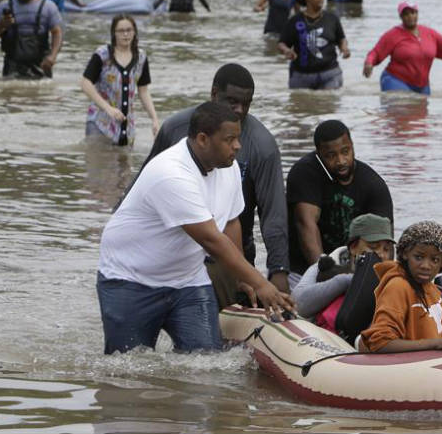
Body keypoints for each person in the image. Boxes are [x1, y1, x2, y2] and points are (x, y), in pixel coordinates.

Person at [96, 101, 294, 354]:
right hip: (131, 280)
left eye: (239, 138)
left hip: (188, 281)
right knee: (128, 371)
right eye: (230, 139)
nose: (238, 146)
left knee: (207, 363)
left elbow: (231, 221)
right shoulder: (171, 173)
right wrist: (261, 283)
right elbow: (211, 240)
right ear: (202, 139)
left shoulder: (229, 168)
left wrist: (240, 278)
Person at [120, 63, 292, 304]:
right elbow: (138, 189)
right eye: (232, 102)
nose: (240, 110)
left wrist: (278, 270)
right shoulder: (175, 130)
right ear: (213, 94)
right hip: (171, 256)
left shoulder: (262, 146)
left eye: (247, 103)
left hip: (231, 258)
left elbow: (273, 215)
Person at [286, 120, 393, 279]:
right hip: (302, 270)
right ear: (318, 153)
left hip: (354, 270)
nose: (341, 161)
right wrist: (323, 273)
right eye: (331, 155)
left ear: (352, 146)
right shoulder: (304, 174)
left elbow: (385, 243)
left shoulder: (373, 184)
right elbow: (306, 224)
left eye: (345, 151)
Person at [359, 221, 442, 353]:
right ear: (405, 254)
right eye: (418, 257)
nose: (426, 266)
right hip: (406, 367)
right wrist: (435, 343)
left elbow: (440, 335)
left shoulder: (432, 290)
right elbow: (380, 343)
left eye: (434, 260)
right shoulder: (397, 287)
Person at [363, 1, 442, 96]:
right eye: (406, 14)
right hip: (395, 81)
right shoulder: (393, 34)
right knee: (400, 116)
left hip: (422, 86)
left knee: (420, 121)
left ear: (417, 14)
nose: (410, 16)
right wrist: (369, 63)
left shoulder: (430, 34)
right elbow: (376, 52)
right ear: (401, 16)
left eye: (413, 12)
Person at [291, 213, 394, 320]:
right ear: (353, 247)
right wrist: (347, 281)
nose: (382, 254)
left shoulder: (392, 277)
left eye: (386, 249)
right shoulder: (324, 266)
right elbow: (298, 305)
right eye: (374, 247)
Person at [80, 14, 160, 146]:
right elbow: (85, 83)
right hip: (100, 123)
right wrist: (108, 108)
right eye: (121, 31)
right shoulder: (102, 55)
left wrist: (154, 119)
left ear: (134, 32)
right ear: (114, 33)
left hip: (127, 127)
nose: (126, 34)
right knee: (98, 164)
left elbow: (143, 91)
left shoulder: (141, 58)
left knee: (125, 164)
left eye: (129, 30)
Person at [0, 0, 63, 79]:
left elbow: (57, 32)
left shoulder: (48, 6)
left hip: (41, 64)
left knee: (44, 95)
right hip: (12, 65)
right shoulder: (4, 6)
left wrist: (53, 56)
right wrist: (1, 25)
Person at [278, 0, 350, 90]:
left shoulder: (332, 18)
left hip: (330, 74)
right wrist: (287, 51)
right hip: (301, 76)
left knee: (328, 102)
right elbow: (282, 43)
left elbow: (341, 38)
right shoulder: (295, 21)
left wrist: (344, 48)